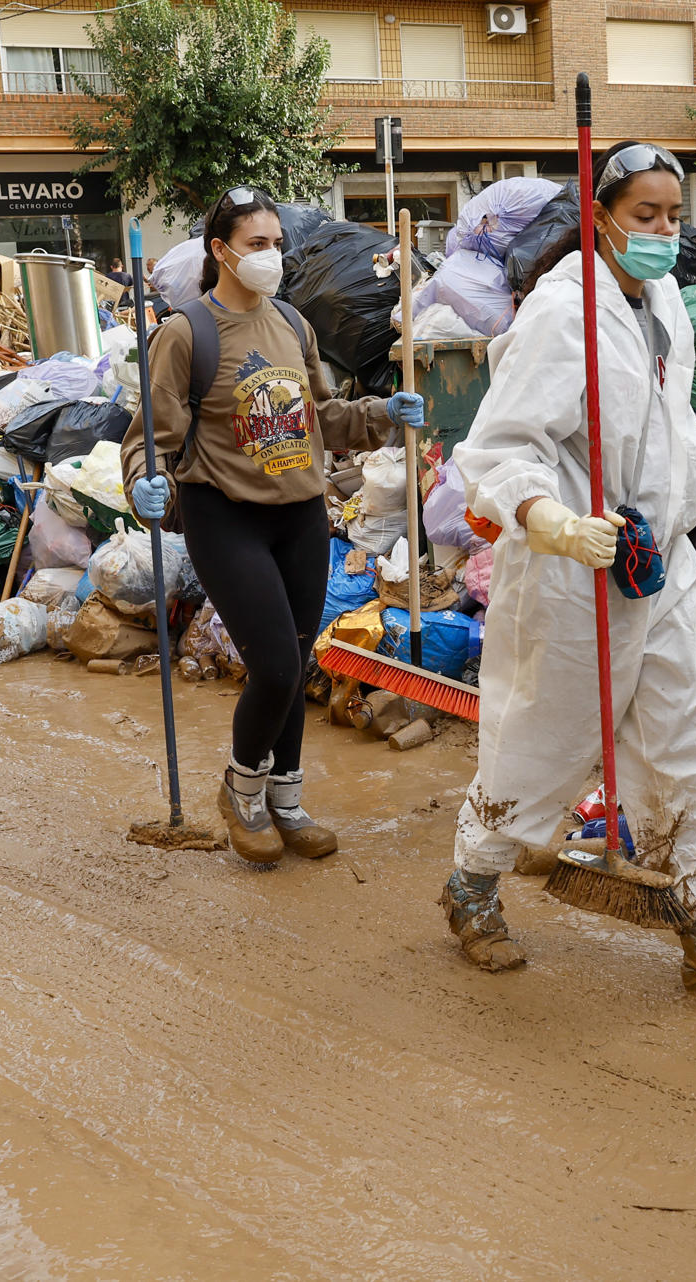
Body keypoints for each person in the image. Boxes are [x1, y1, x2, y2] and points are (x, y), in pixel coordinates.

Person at [441, 141, 696, 1013]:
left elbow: (662, 449)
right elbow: (499, 448)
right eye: (646, 215)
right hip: (573, 575)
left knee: (689, 744)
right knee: (543, 741)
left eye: (674, 217)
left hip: (659, 565)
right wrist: (555, 523)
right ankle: (473, 884)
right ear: (601, 215)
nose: (663, 232)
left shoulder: (667, 305)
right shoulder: (562, 313)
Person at [121, 186, 425, 863]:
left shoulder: (292, 321)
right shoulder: (186, 332)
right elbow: (151, 433)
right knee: (278, 665)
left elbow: (327, 418)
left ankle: (286, 800)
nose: (272, 256)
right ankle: (242, 789)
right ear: (220, 251)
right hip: (224, 516)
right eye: (257, 244)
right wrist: (143, 478)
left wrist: (381, 413)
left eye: (276, 243)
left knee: (294, 658)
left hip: (302, 518)